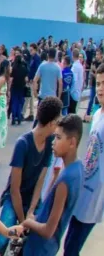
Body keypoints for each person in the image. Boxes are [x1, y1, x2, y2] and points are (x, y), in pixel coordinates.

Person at [0, 97, 61, 254]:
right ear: (51, 123)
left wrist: (31, 209)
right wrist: (24, 220)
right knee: (3, 238)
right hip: (14, 198)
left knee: (36, 241)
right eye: (58, 121)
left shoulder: (50, 142)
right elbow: (15, 189)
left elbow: (40, 180)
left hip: (32, 200)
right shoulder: (23, 143)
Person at [22, 114, 84, 255]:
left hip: (38, 249)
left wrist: (28, 222)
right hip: (50, 247)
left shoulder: (65, 179)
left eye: (58, 137)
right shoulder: (78, 168)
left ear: (72, 143)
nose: (53, 142)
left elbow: (48, 230)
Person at [64, 63, 104, 255]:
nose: (101, 88)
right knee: (69, 244)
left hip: (96, 194)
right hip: (84, 186)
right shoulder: (97, 114)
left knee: (72, 247)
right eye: (98, 83)